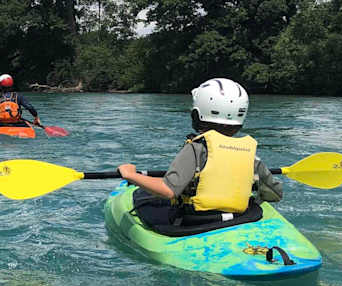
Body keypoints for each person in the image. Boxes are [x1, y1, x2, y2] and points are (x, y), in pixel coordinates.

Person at [118, 78, 282, 221]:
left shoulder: (196, 148)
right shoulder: (250, 155)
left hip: (196, 221)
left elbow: (168, 190)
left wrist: (131, 175)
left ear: (197, 115)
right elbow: (275, 194)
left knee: (144, 197)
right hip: (238, 218)